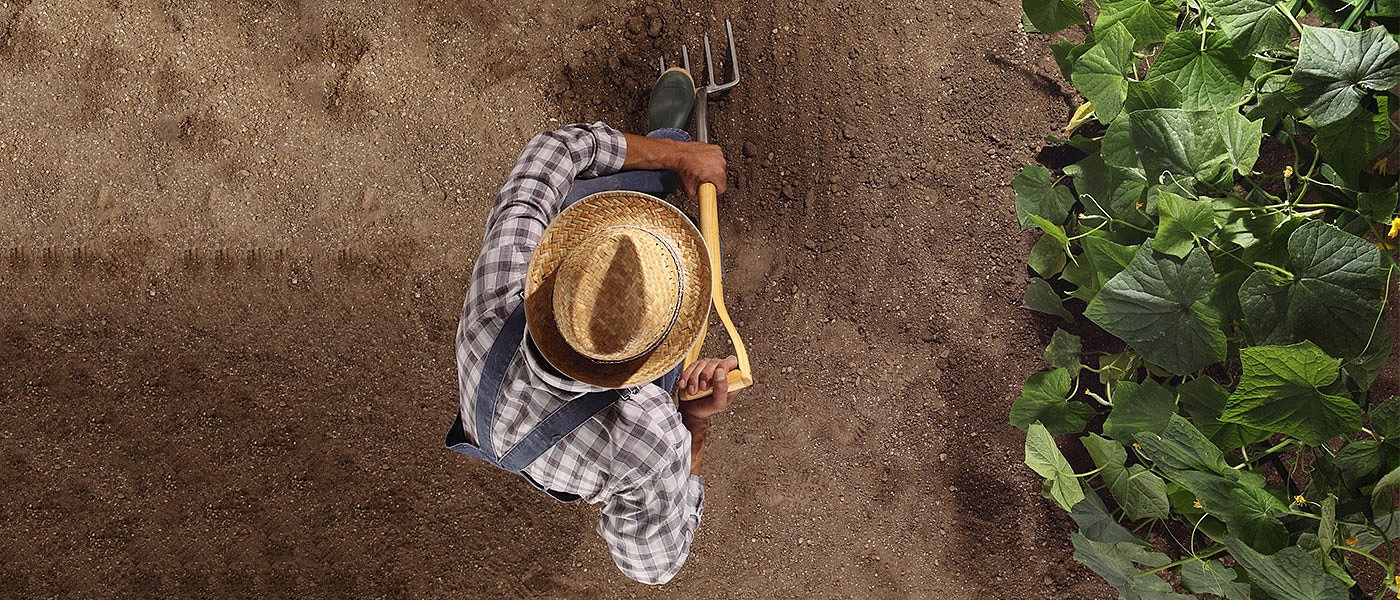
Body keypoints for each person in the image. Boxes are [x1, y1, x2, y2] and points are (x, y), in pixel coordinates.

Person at [445, 67, 738, 585]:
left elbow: (551, 152)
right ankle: (671, 157)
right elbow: (655, 567)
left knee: (573, 190)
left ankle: (668, 147)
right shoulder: (647, 429)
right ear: (653, 355)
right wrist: (691, 421)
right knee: (656, 210)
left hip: (491, 416)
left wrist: (675, 156)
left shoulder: (498, 294)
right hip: (590, 455)